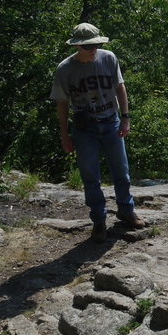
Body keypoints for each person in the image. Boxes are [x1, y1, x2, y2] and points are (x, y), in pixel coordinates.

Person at [50, 23, 145, 242]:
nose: (93, 49)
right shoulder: (65, 69)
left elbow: (120, 87)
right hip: (84, 128)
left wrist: (126, 118)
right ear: (77, 46)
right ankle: (99, 221)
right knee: (90, 176)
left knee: (121, 171)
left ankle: (126, 210)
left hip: (111, 121)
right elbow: (62, 103)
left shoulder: (108, 58)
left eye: (96, 44)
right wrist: (64, 134)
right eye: (87, 46)